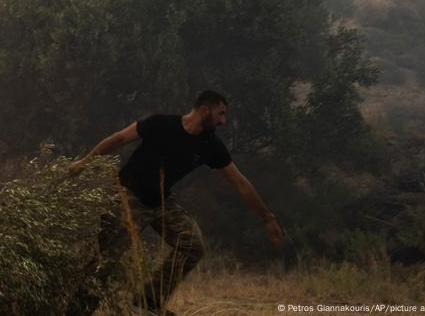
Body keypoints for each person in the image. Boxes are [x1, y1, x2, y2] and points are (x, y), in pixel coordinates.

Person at [67, 89, 284, 314]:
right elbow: (119, 138)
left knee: (193, 246)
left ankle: (146, 304)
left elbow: (240, 183)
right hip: (127, 197)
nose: (223, 121)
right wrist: (84, 162)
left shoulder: (211, 145)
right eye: (220, 114)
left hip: (161, 202)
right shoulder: (160, 124)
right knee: (103, 264)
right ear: (204, 110)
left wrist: (267, 217)